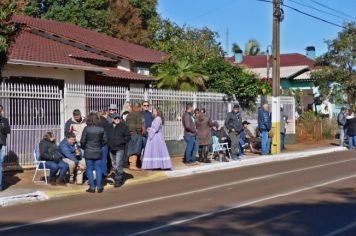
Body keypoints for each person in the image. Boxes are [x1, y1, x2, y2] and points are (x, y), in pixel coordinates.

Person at [80, 112, 107, 193]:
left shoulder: (86, 129)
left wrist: (84, 147)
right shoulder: (101, 129)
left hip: (88, 151)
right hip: (98, 150)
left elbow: (82, 141)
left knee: (89, 169)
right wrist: (99, 145)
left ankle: (92, 187)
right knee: (98, 169)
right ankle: (99, 187)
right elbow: (105, 140)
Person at [107, 113, 131, 187]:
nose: (117, 119)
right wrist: (108, 143)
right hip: (111, 148)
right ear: (113, 119)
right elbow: (106, 135)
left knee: (118, 163)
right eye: (115, 118)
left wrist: (122, 142)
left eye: (118, 118)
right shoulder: (109, 126)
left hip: (120, 148)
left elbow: (128, 136)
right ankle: (120, 174)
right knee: (114, 164)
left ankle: (118, 180)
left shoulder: (124, 126)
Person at [126, 103, 144, 171]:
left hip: (130, 133)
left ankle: (131, 164)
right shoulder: (137, 114)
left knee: (131, 149)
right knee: (135, 150)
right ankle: (133, 165)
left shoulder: (129, 114)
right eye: (140, 108)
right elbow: (139, 127)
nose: (140, 109)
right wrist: (139, 134)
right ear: (137, 108)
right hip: (136, 134)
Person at [97, 110, 110, 177]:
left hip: (96, 143)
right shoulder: (106, 122)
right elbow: (108, 134)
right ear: (104, 115)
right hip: (104, 144)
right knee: (104, 159)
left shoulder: (96, 122)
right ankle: (104, 173)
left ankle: (98, 172)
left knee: (97, 159)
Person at [0, 105, 10, 191]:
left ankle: (0, 184)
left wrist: (1, 127)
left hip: (2, 144)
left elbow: (8, 131)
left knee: (0, 163)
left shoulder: (5, 120)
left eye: (0, 110)